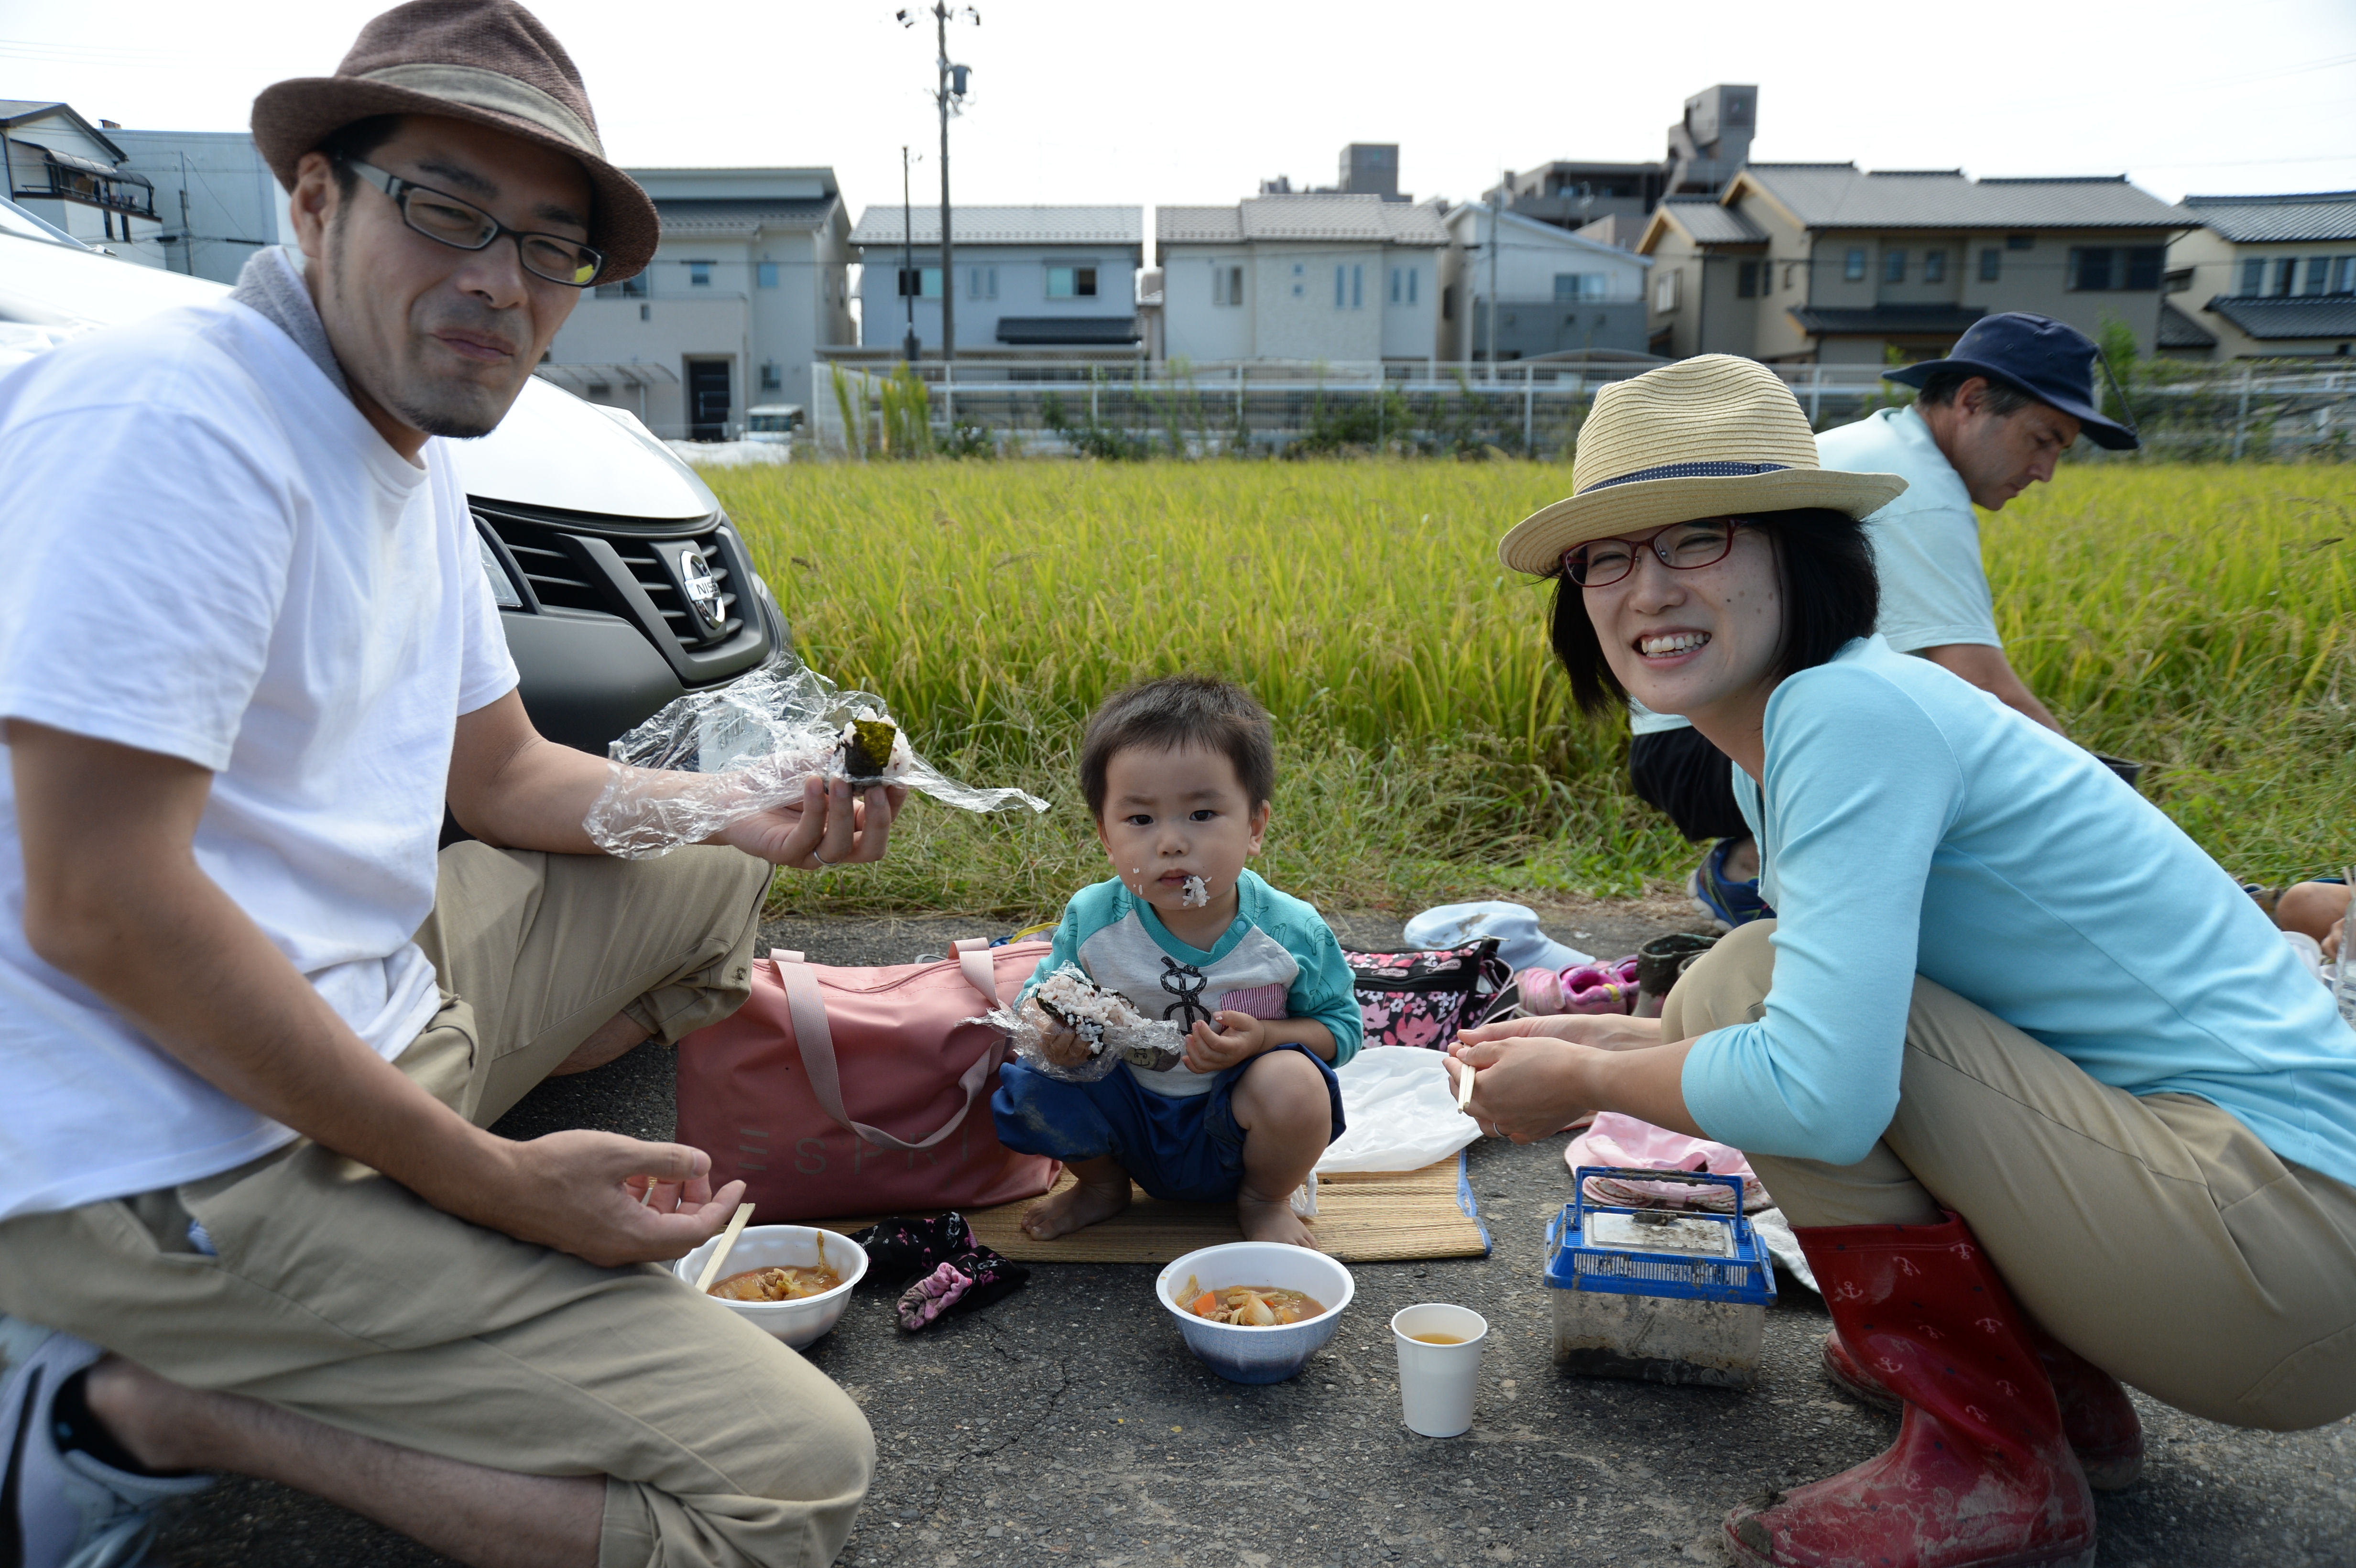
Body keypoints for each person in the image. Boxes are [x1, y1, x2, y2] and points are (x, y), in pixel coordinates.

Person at [0, 5, 900, 1566]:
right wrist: (495, 1187)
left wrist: (736, 807)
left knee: (710, 874)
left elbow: (504, 778)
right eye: (446, 208)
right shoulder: (175, 420)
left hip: (372, 1012)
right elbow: (99, 908)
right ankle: (139, 1412)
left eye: (550, 244)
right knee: (787, 1487)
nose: (500, 278)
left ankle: (420, 1236)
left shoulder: (404, 454)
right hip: (160, 1156)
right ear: (312, 201)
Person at [1452, 354, 2356, 1568]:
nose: (1645, 587)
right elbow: (1863, 1012)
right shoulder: (1809, 724)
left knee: (1745, 984)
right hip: (2259, 1237)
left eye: (1699, 538)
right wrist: (1597, 1040)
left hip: (2282, 1253)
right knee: (1741, 989)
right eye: (1605, 557)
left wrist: (1585, 1083)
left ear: (1798, 549)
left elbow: (1821, 1084)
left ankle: (1994, 1461)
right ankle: (2049, 1390)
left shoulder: (1842, 716)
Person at [1635, 312, 2139, 929]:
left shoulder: (1886, 446)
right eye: (2042, 439)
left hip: (1695, 732)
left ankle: (1758, 861)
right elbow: (1987, 689)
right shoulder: (1919, 488)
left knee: (1925, 713)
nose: (2046, 471)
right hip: (1704, 744)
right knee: (1955, 745)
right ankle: (1762, 875)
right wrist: (2118, 819)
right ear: (1973, 401)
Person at [991, 676, 1361, 1248]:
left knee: (1296, 1083)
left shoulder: (1290, 933)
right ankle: (1102, 1187)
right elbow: (1038, 998)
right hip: (1128, 1117)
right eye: (1140, 820)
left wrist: (1264, 1037)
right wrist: (1052, 1031)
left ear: (1254, 827)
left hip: (1238, 1131)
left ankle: (1263, 1202)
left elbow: (1342, 1029)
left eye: (1202, 813)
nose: (1170, 842)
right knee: (1032, 1080)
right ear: (1106, 837)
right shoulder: (1094, 920)